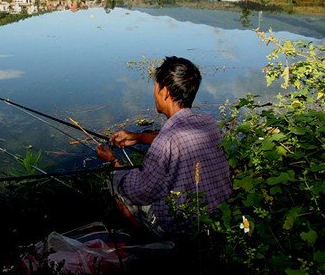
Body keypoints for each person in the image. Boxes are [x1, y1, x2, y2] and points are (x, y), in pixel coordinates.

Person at [97, 56, 231, 235]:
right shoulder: (209, 123)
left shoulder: (165, 142)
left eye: (156, 86)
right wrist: (140, 137)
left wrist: (113, 163)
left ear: (165, 92)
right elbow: (179, 136)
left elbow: (140, 191)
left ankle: (147, 240)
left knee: (119, 189)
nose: (154, 92)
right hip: (218, 217)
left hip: (183, 227)